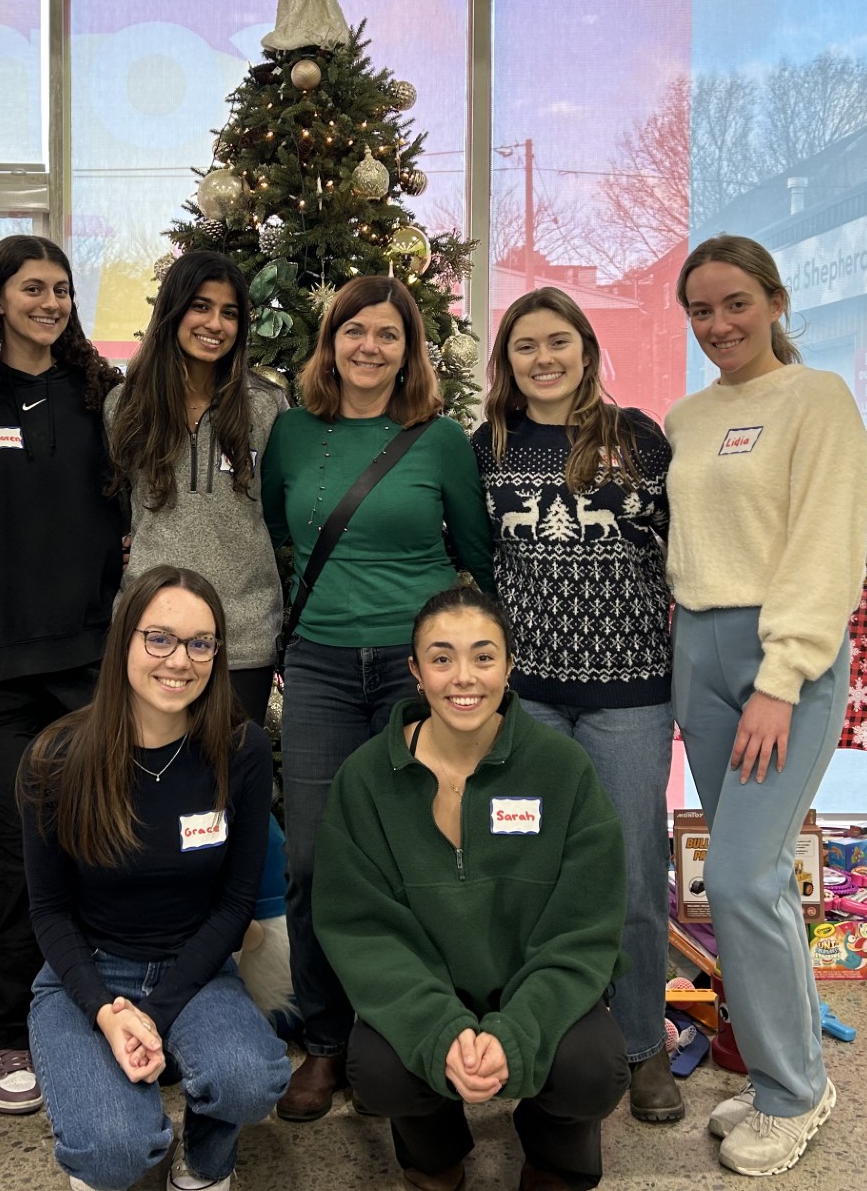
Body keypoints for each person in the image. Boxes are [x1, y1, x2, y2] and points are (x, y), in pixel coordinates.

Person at [259, 275, 495, 1120]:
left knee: (418, 857)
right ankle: (325, 1043)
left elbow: (476, 555)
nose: (368, 346)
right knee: (316, 860)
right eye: (352, 330)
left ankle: (406, 1034)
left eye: (387, 334)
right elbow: (281, 537)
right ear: (329, 342)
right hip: (320, 667)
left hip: (416, 670)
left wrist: (482, 668)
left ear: (410, 350)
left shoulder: (437, 442)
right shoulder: (290, 433)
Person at [665, 235, 867, 1178]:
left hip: (781, 656)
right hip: (697, 649)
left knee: (744, 878)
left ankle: (795, 1095)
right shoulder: (687, 417)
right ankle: (787, 1067)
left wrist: (781, 678)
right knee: (748, 882)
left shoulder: (816, 399)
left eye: (736, 304)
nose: (719, 327)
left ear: (777, 300)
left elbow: (829, 546)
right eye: (701, 312)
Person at [315, 585, 629, 1191]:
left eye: (484, 657)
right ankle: (433, 1160)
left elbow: (585, 929)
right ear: (415, 671)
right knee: (378, 1068)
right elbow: (361, 932)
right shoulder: (364, 781)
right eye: (441, 658)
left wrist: (518, 1031)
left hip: (533, 988)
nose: (464, 677)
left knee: (594, 1068)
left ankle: (555, 1157)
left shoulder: (563, 770)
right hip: (427, 990)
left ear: (510, 666)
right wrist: (438, 1028)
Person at [474, 286, 683, 1124]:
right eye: (526, 346)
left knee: (632, 873)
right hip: (526, 701)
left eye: (558, 342)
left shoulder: (639, 441)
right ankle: (537, 1034)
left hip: (629, 695)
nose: (544, 358)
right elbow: (473, 559)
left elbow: (682, 552)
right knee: (525, 872)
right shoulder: (484, 448)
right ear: (507, 361)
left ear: (587, 351)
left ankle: (642, 1045)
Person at [0, 232, 126, 1114]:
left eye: (61, 289)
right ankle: (3, 1023)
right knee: (10, 841)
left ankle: (82, 1001)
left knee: (88, 833)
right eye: (32, 288)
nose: (50, 303)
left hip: (87, 658)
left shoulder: (101, 395)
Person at [21, 565, 288, 1191]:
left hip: (196, 969)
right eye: (159, 638)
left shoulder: (239, 749)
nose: (181, 661)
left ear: (218, 654)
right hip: (82, 973)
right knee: (116, 1152)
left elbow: (235, 902)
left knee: (250, 1081)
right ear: (125, 642)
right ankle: (118, 1139)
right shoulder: (58, 757)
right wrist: (108, 1011)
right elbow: (49, 913)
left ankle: (203, 1168)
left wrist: (158, 1010)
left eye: (201, 643)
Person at [105, 250, 286, 725]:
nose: (216, 324)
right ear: (174, 310)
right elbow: (114, 502)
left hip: (242, 632)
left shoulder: (266, 407)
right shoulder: (124, 406)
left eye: (230, 313)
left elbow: (282, 511)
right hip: (150, 631)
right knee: (150, 776)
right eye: (201, 306)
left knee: (228, 775)